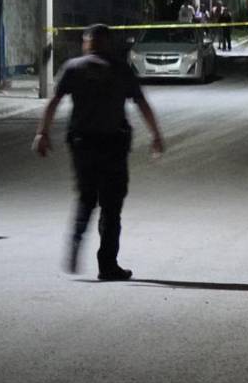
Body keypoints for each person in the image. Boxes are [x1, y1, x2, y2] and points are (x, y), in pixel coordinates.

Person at [32, 24, 165, 281]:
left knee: (86, 197)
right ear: (107, 43)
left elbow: (53, 102)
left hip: (82, 143)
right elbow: (141, 103)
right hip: (113, 144)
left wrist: (42, 133)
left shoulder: (73, 68)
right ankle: (107, 265)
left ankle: (76, 239)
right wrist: (156, 135)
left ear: (87, 42)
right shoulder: (120, 69)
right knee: (111, 206)